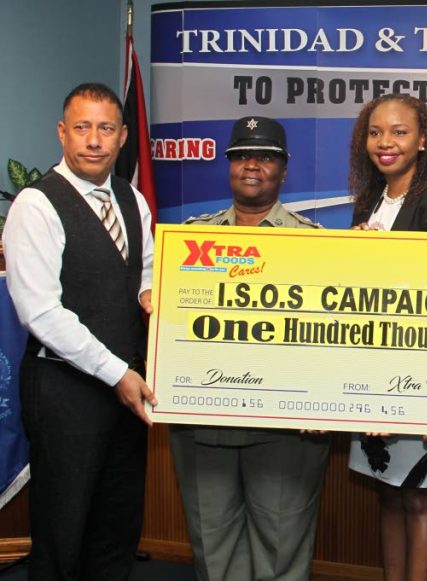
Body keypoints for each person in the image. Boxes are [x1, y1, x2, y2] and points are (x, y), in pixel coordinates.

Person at [2, 82, 155, 580]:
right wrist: (118, 374)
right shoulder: (36, 205)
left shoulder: (133, 199)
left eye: (105, 128)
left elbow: (146, 271)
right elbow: (42, 313)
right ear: (63, 133)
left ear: (122, 136)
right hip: (65, 393)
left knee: (116, 529)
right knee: (62, 533)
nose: (94, 140)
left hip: (126, 394)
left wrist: (152, 297)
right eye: (83, 128)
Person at [168, 116, 330, 581]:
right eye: (241, 156)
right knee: (213, 550)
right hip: (205, 418)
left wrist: (326, 400)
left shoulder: (316, 243)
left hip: (285, 425)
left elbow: (329, 334)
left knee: (281, 551)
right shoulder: (191, 239)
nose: (251, 166)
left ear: (283, 168)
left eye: (265, 157)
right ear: (228, 166)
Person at [346, 94, 427, 581]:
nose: (385, 142)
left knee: (419, 498)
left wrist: (380, 256)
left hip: (423, 377)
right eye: (375, 132)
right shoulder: (368, 201)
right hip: (372, 373)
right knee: (389, 496)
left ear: (422, 140)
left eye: (398, 132)